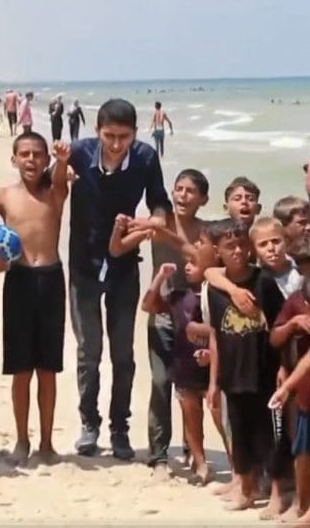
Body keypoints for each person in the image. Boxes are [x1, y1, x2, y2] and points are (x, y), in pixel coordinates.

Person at [65, 98, 173, 461]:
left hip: (125, 266)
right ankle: (89, 426)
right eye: (109, 136)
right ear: (97, 132)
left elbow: (160, 201)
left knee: (123, 355)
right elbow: (51, 188)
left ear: (135, 134)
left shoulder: (144, 157)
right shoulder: (79, 154)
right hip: (83, 265)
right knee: (88, 352)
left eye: (123, 137)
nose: (115, 144)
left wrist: (157, 219)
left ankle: (120, 429)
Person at [0, 133, 71, 466]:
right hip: (19, 281)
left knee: (48, 369)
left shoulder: (55, 191)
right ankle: (22, 440)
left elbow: (59, 179)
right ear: (13, 159)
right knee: (21, 368)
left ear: (46, 160)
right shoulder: (3, 196)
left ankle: (46, 442)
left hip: (52, 279)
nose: (31, 160)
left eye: (38, 155)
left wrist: (63, 160)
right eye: (24, 154)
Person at [128, 169, 208, 480]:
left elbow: (199, 257)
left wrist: (166, 234)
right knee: (161, 385)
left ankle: (192, 449)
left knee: (192, 389)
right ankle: (159, 455)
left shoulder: (204, 230)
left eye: (191, 191)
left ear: (203, 199)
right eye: (179, 189)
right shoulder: (158, 222)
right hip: (161, 313)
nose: (183, 195)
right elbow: (121, 244)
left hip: (194, 318)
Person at [206, 219, 285, 512]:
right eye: (230, 246)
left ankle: (277, 495)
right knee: (239, 434)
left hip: (262, 373)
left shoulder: (263, 282)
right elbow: (215, 335)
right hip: (232, 374)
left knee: (269, 437)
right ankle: (247, 489)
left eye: (242, 245)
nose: (238, 250)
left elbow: (280, 327)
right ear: (218, 251)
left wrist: (282, 368)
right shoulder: (214, 290)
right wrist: (214, 383)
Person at [141, 242, 227, 486]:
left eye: (194, 263)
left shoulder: (219, 297)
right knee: (191, 415)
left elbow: (225, 332)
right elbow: (147, 305)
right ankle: (200, 464)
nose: (186, 267)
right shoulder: (179, 297)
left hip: (213, 368)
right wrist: (159, 278)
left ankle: (238, 466)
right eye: (186, 263)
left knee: (222, 419)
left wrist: (205, 335)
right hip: (185, 368)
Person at [268, 237, 310, 524]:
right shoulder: (298, 300)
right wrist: (294, 324)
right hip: (306, 391)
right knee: (303, 451)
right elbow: (276, 339)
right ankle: (303, 503)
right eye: (305, 271)